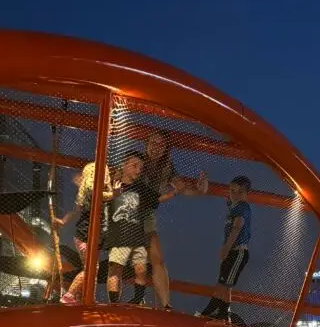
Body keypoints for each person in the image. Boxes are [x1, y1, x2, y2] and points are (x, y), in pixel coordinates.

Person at [142, 132, 207, 310]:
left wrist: (199, 190)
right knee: (124, 258)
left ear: (166, 150)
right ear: (146, 144)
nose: (156, 147)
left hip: (147, 216)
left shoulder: (167, 168)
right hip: (127, 213)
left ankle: (166, 305)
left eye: (161, 145)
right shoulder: (138, 160)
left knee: (157, 258)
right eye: (152, 142)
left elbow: (182, 188)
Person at [54, 160, 115, 304]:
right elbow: (101, 196)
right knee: (91, 269)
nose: (107, 176)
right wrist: (114, 193)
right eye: (105, 174)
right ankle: (69, 295)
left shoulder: (90, 190)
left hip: (88, 236)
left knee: (93, 269)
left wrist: (63, 221)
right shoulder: (92, 191)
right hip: (86, 236)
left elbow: (76, 211)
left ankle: (87, 298)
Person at [107, 153, 160, 304]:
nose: (138, 170)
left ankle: (137, 299)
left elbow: (157, 199)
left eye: (140, 168)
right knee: (116, 267)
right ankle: (114, 302)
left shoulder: (141, 188)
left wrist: (175, 192)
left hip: (137, 234)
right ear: (124, 165)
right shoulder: (112, 183)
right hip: (118, 233)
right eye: (134, 166)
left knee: (141, 268)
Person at [201, 175, 251, 320]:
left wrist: (226, 247)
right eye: (232, 191)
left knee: (222, 285)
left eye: (240, 192)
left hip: (237, 251)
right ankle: (222, 315)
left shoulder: (243, 207)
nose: (235, 194)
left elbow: (238, 225)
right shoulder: (234, 205)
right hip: (233, 251)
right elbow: (230, 202)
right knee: (227, 285)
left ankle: (206, 313)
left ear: (246, 194)